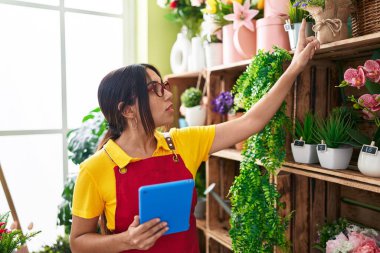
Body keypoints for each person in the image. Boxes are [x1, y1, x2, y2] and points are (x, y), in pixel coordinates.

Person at [70, 20, 320, 253]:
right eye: (155, 89)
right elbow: (78, 242)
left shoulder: (181, 143)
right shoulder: (95, 170)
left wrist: (295, 67)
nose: (168, 95)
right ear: (127, 110)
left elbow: (251, 121)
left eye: (164, 86)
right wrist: (126, 240)